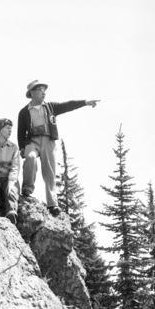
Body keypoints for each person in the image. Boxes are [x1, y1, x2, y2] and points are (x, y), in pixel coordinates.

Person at [17, 80, 99, 217]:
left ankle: (52, 204)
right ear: (32, 93)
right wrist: (21, 148)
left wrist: (85, 102)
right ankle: (27, 189)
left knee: (49, 172)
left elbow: (68, 105)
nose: (44, 92)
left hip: (48, 140)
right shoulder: (24, 112)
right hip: (32, 141)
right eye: (40, 90)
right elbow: (20, 131)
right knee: (30, 157)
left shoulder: (50, 107)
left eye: (44, 90)